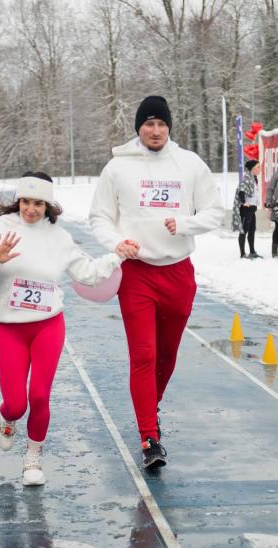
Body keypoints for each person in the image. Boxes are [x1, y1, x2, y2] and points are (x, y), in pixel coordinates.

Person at [0, 172, 123, 485]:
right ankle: (6, 416)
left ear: (48, 204)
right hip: (8, 327)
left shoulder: (58, 237)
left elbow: (88, 274)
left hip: (48, 324)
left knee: (39, 395)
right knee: (17, 403)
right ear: (18, 201)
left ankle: (32, 458)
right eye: (25, 201)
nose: (31, 209)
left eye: (38, 203)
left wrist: (118, 256)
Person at [89, 95, 223, 469]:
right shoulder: (118, 168)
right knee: (144, 355)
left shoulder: (189, 163)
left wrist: (185, 224)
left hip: (178, 272)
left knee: (166, 355)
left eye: (161, 124)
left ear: (169, 127)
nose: (155, 130)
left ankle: (151, 406)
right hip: (137, 274)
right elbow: (99, 217)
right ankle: (149, 437)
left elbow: (214, 211)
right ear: (138, 128)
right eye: (148, 124)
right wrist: (116, 243)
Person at [233, 159, 262, 259]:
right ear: (252, 169)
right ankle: (242, 254)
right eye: (258, 167)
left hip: (252, 209)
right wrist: (244, 202)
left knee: (252, 230)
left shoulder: (253, 178)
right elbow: (241, 191)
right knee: (244, 230)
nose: (259, 169)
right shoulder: (247, 178)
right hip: (247, 209)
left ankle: (252, 252)